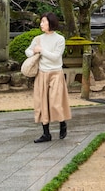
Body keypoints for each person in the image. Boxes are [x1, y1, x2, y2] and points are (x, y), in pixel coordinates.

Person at [26, 12, 72, 142]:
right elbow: (28, 51)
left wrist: (42, 51)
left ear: (51, 23)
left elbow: (56, 57)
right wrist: (33, 51)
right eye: (41, 22)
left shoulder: (60, 39)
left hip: (56, 73)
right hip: (41, 74)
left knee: (55, 102)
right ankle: (46, 133)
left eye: (44, 22)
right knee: (41, 103)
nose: (41, 24)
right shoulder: (38, 39)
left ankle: (62, 123)